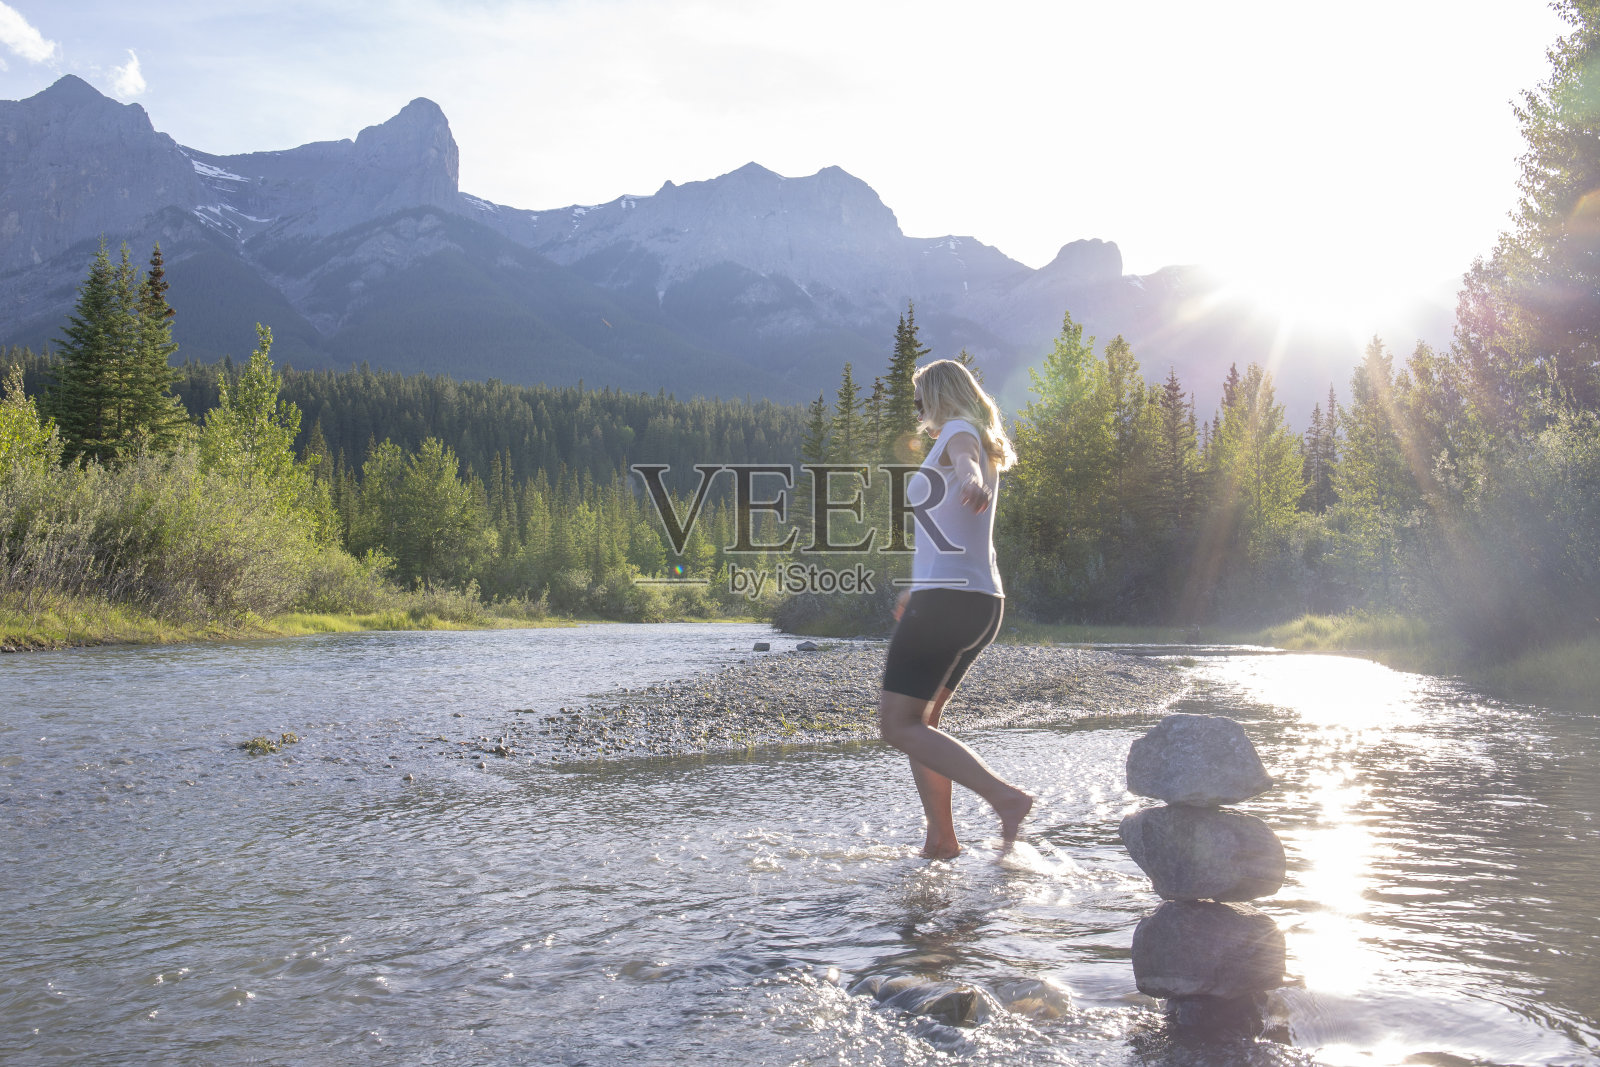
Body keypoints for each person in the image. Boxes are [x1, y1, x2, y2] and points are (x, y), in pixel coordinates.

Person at [877, 359, 1032, 858]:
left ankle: (1003, 797)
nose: (918, 408)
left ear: (939, 396)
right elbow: (950, 533)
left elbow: (964, 459)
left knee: (897, 725)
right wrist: (916, 586)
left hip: (947, 604)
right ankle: (941, 839)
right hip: (980, 602)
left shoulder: (961, 434)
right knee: (924, 724)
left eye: (921, 397)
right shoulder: (976, 437)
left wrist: (970, 478)